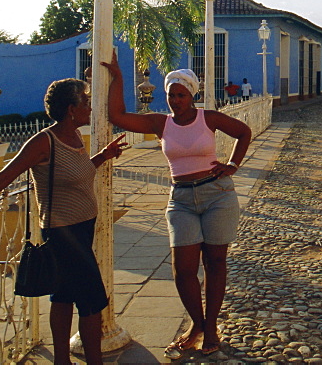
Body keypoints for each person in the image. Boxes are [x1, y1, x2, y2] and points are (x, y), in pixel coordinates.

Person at [0, 79, 127, 365]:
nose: (89, 106)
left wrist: (102, 157)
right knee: (93, 301)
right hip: (62, 233)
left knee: (64, 294)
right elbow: (1, 179)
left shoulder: (74, 139)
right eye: (85, 101)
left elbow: (75, 174)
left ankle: (62, 360)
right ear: (71, 109)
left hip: (83, 229)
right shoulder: (44, 142)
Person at [100, 52, 251, 359]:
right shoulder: (161, 123)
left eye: (181, 95)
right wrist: (118, 77)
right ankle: (198, 324)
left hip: (217, 195)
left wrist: (233, 164)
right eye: (171, 95)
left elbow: (243, 132)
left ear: (191, 95)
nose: (176, 101)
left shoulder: (208, 118)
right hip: (181, 199)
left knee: (215, 262)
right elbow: (117, 117)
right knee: (182, 270)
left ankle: (210, 328)